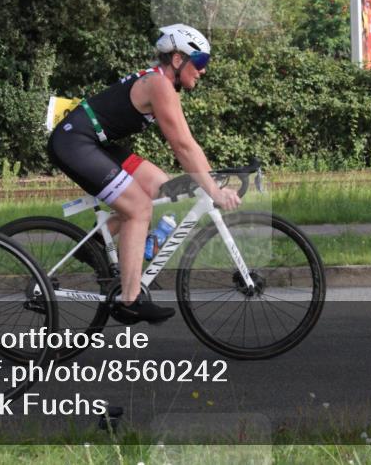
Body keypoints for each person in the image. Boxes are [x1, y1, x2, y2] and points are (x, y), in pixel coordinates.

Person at [47, 24, 241, 324]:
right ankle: (130, 300)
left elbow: (187, 144)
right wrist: (213, 190)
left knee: (162, 186)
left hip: (94, 142)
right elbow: (183, 145)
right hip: (75, 143)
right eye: (200, 61)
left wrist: (210, 178)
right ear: (178, 59)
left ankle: (95, 243)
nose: (203, 70)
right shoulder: (159, 85)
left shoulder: (160, 82)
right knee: (138, 209)